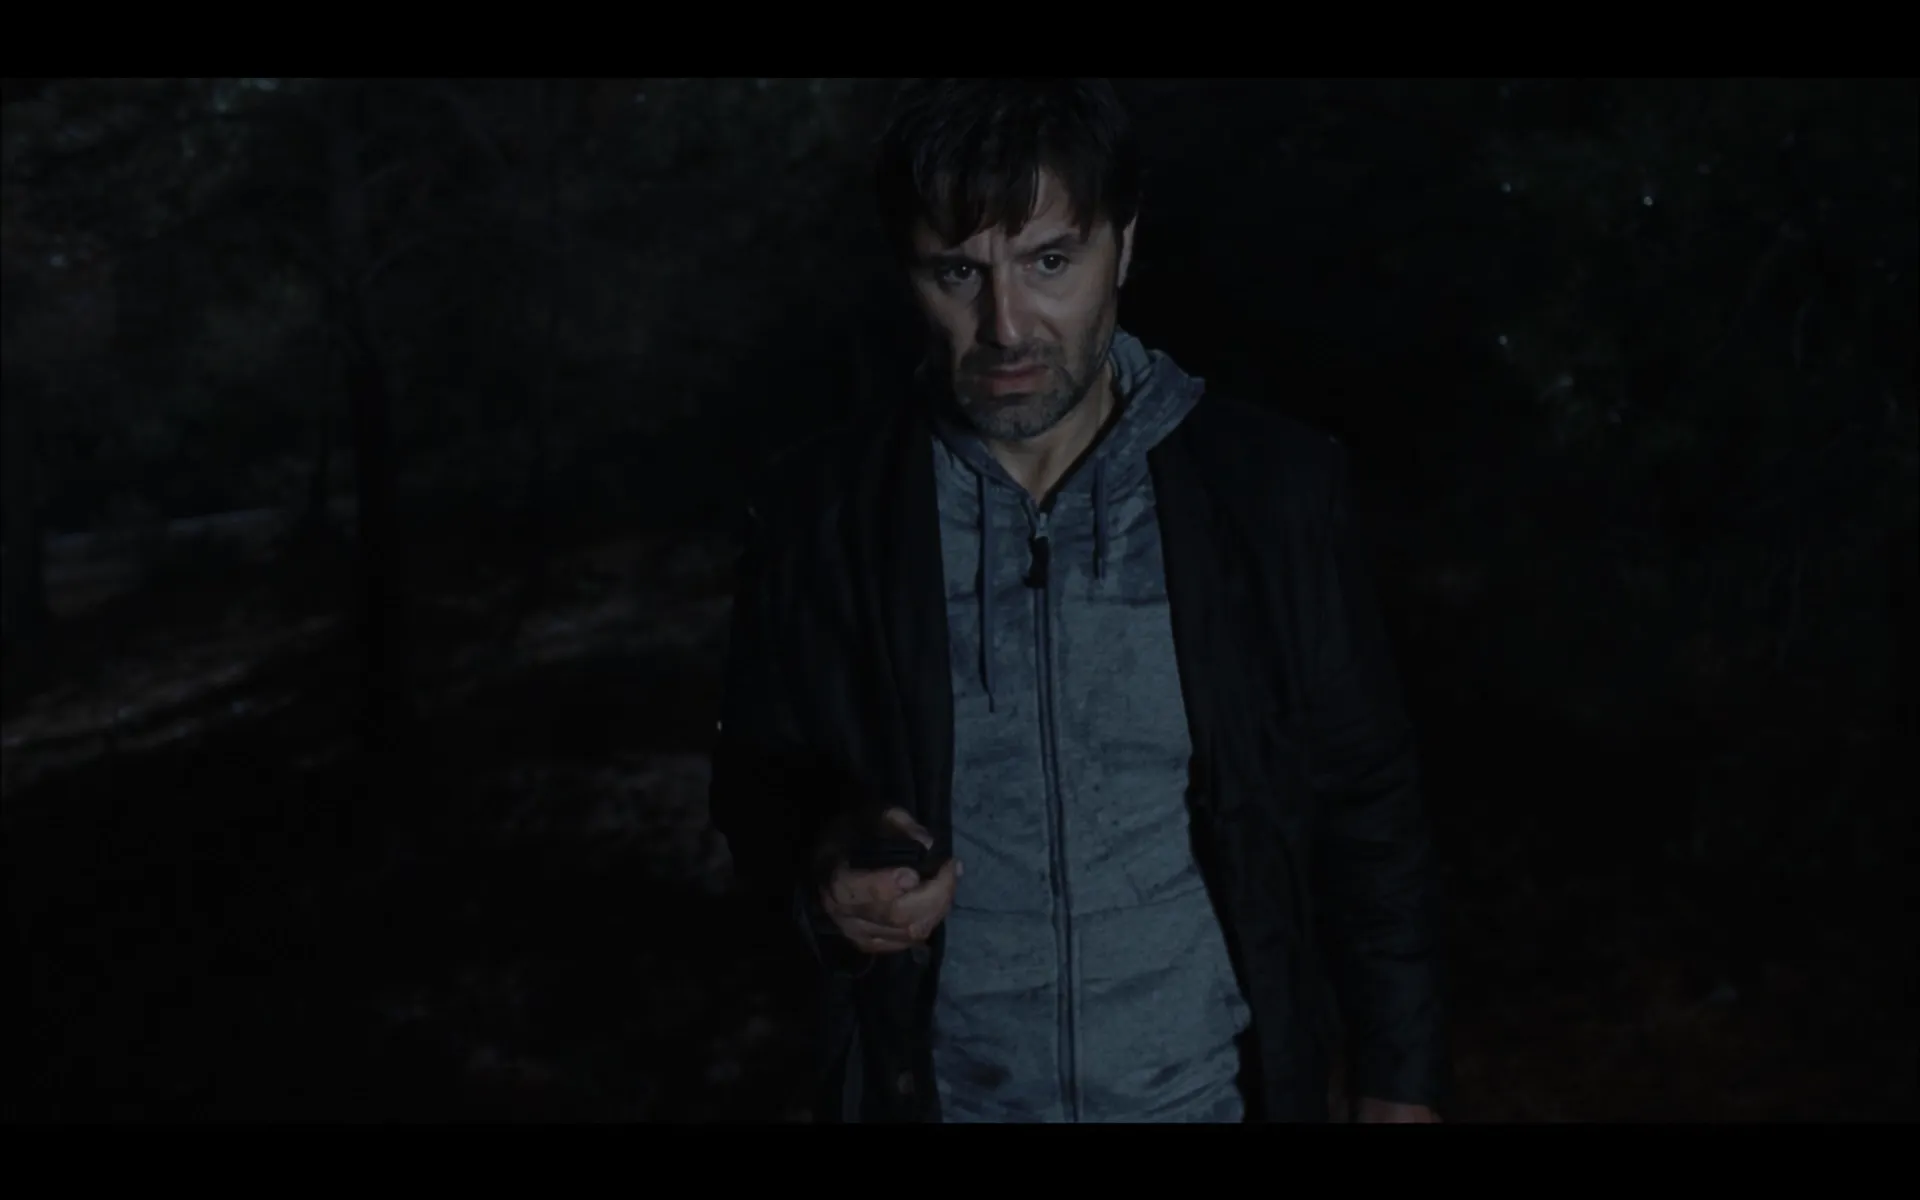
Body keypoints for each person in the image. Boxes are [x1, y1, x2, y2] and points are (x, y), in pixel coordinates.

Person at [708, 78, 1447, 1123]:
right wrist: (825, 873)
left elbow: (1369, 804)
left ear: (1123, 246)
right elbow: (754, 791)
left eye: (1050, 261)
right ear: (908, 272)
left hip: (1210, 1100)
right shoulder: (819, 517)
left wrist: (1399, 1087)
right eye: (959, 272)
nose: (1007, 324)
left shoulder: (1270, 493)